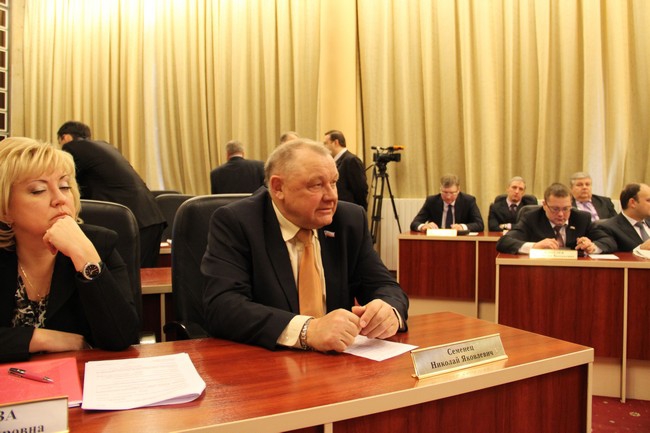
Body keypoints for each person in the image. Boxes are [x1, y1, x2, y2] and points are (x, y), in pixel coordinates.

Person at [202, 139, 408, 353]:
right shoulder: (237, 222)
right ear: (278, 187)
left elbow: (385, 286)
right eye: (316, 185)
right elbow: (222, 306)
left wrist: (388, 311)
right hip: (266, 360)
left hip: (338, 362)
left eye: (334, 182)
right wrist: (308, 330)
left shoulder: (349, 220)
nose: (332, 196)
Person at [0, 137, 140, 363]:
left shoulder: (99, 244)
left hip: (78, 378)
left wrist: (85, 259)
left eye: (65, 186)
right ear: (5, 209)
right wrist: (41, 338)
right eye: (38, 190)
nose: (59, 199)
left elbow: (123, 337)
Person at [56, 121, 166, 268]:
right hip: (151, 216)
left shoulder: (72, 147)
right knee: (143, 276)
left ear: (66, 137)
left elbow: (68, 187)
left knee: (124, 276)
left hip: (129, 221)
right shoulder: (105, 146)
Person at [496, 182, 615, 255]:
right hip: (540, 272)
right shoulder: (531, 218)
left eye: (566, 209)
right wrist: (534, 246)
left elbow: (609, 241)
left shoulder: (582, 218)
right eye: (555, 209)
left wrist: (592, 247)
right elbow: (504, 242)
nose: (561, 214)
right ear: (544, 205)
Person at [410, 174, 484, 232]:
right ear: (440, 189)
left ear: (458, 190)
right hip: (438, 240)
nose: (448, 197)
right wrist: (423, 226)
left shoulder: (468, 201)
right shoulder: (432, 201)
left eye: (452, 193)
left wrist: (462, 227)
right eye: (445, 192)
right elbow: (415, 223)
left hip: (460, 240)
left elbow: (479, 224)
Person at [323, 130, 369, 210]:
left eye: (326, 143)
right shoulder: (336, 161)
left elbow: (360, 189)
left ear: (335, 142)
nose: (324, 147)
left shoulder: (351, 160)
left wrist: (360, 211)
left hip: (349, 209)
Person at [597, 183, 650, 252]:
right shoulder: (609, 228)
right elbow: (611, 254)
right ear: (633, 203)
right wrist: (641, 249)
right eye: (648, 200)